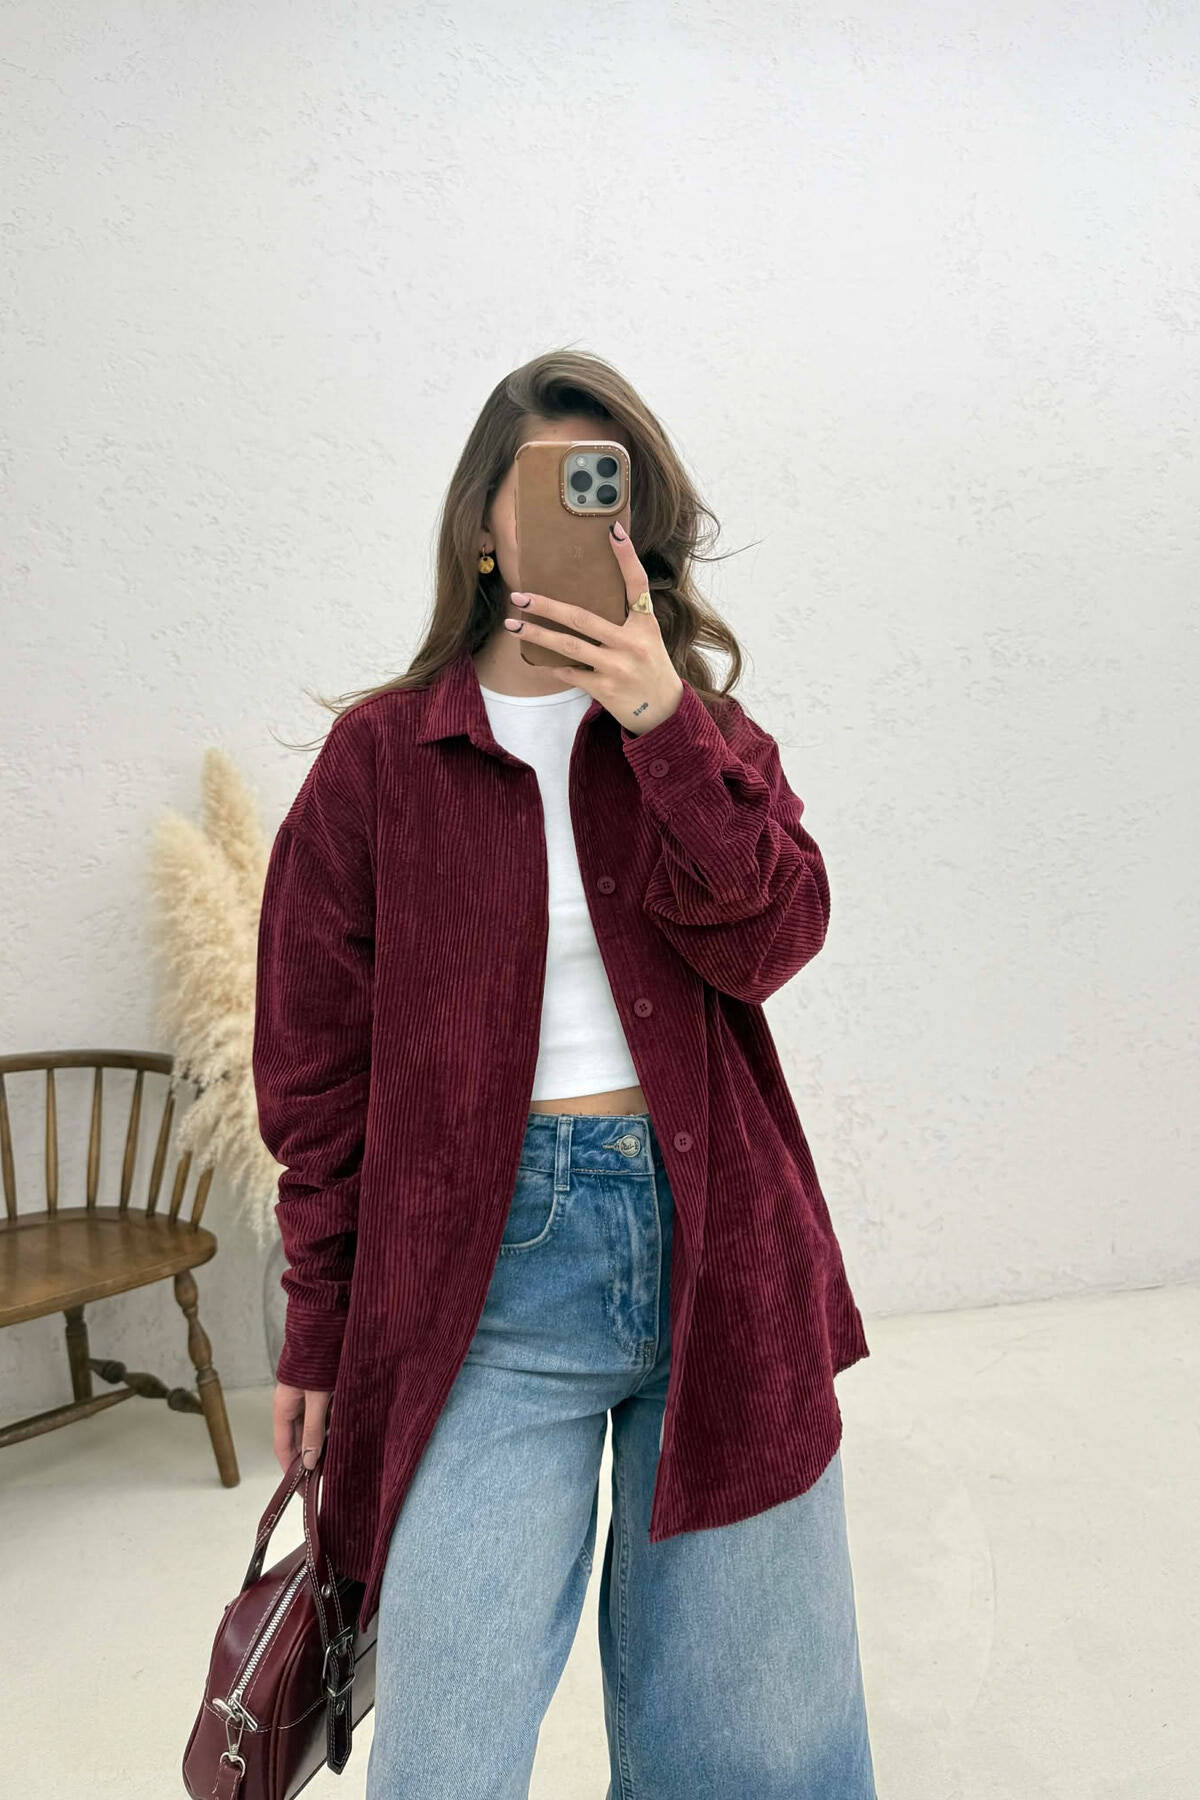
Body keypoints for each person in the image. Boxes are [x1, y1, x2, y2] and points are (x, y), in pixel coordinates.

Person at [252, 348, 878, 1798]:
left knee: (756, 1751)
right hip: (484, 1282)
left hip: (720, 1259)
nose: (597, 523)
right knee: (446, 1753)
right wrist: (316, 1326)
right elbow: (314, 1071)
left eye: (618, 497)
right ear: (486, 523)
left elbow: (777, 937)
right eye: (560, 490)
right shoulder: (378, 761)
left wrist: (666, 734)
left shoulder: (702, 737)